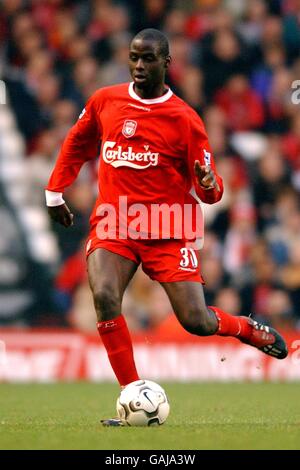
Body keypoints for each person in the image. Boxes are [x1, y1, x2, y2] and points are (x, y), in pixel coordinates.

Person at [46, 29, 288, 426]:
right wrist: (55, 192)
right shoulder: (106, 100)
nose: (139, 66)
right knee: (104, 295)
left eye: (148, 59)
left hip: (168, 227)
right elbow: (76, 141)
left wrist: (210, 184)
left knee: (197, 321)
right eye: (134, 58)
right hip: (115, 222)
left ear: (166, 63)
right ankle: (131, 395)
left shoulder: (185, 120)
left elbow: (209, 191)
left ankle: (244, 328)